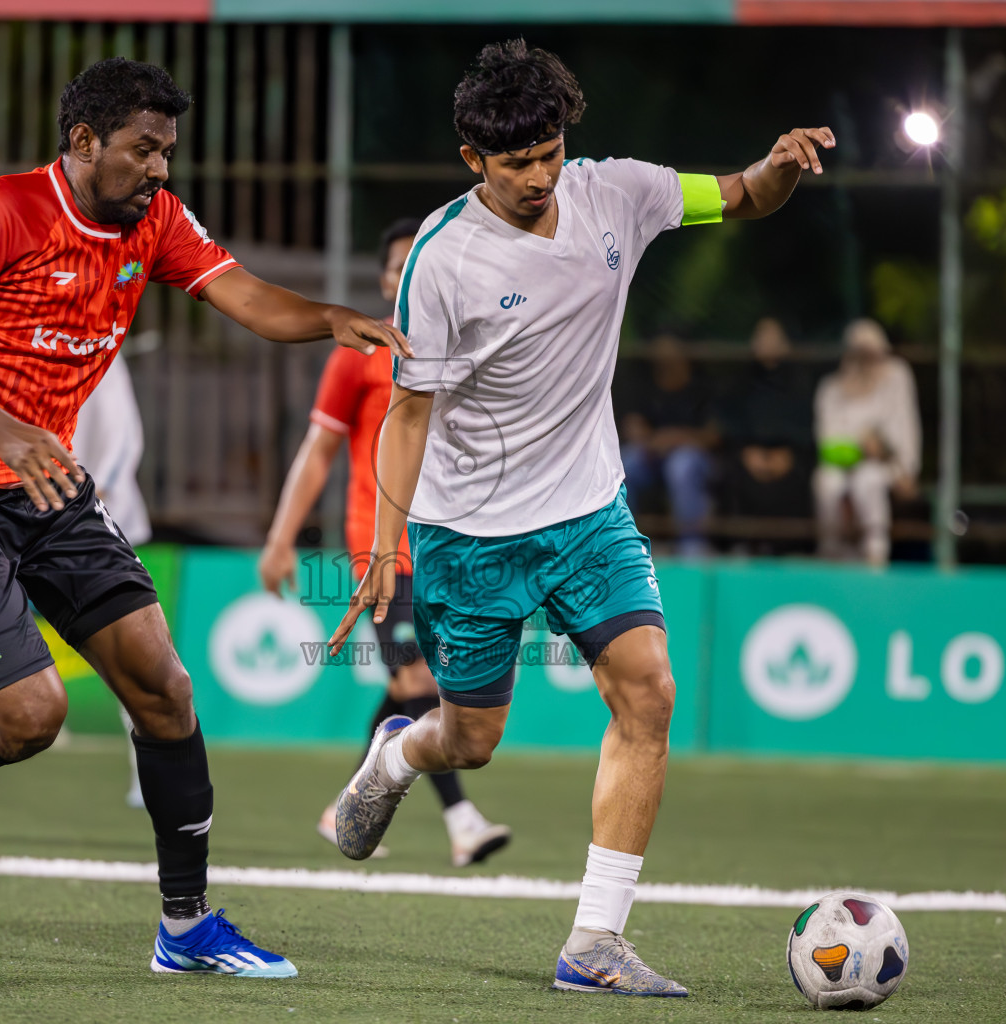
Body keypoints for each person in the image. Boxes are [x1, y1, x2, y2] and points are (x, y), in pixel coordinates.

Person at [0, 57, 406, 979]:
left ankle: (186, 929)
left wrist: (331, 320)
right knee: (30, 718)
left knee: (165, 690)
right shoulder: (2, 212)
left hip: (49, 488)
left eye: (167, 152)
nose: (160, 170)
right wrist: (6, 431)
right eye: (143, 151)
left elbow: (243, 295)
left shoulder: (152, 221)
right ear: (83, 143)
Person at [326, 39, 834, 997]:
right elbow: (410, 408)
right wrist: (385, 542)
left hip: (590, 514)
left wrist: (777, 166)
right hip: (469, 533)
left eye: (549, 152)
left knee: (649, 693)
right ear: (474, 160)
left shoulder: (620, 192)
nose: (537, 177)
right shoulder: (440, 260)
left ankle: (594, 941)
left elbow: (738, 195)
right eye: (514, 163)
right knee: (469, 738)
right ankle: (397, 757)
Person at [259, 219, 511, 868]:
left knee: (408, 685)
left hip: (448, 548)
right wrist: (282, 538)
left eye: (417, 265)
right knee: (419, 676)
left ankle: (346, 801)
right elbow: (317, 452)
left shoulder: (461, 350)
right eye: (396, 267)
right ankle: (461, 821)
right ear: (382, 279)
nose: (407, 277)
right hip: (383, 547)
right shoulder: (358, 355)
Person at [0, 351, 151, 811]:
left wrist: (85, 506)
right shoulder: (13, 348)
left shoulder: (98, 351)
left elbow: (121, 442)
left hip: (86, 526)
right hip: (19, 519)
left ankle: (149, 774)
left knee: (130, 657)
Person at [811, 318, 920, 567]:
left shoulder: (897, 377)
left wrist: (906, 469)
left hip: (885, 467)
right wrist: (859, 449)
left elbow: (907, 430)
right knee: (826, 482)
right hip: (842, 466)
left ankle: (875, 557)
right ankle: (832, 553)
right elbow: (826, 444)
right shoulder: (830, 389)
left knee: (867, 480)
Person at [617, 335, 721, 555]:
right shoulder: (646, 383)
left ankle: (691, 545)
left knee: (681, 465)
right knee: (625, 463)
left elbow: (714, 436)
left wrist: (676, 438)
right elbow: (632, 426)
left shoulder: (701, 386)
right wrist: (649, 438)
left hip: (695, 457)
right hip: (653, 454)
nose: (665, 358)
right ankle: (625, 543)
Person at [722, 318, 812, 551]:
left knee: (804, 476)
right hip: (749, 453)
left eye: (774, 337)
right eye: (762, 337)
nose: (767, 343)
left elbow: (806, 424)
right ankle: (740, 545)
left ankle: (794, 549)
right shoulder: (741, 380)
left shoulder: (800, 381)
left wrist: (787, 454)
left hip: (788, 455)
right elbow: (731, 421)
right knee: (729, 472)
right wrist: (747, 452)